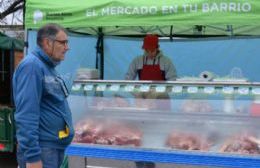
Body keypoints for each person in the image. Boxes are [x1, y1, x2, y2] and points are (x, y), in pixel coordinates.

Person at [12, 23, 74, 168]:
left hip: (51, 147)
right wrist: (33, 157)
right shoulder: (32, 67)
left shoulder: (47, 67)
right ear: (47, 42)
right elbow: (26, 114)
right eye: (63, 42)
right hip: (42, 150)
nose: (67, 47)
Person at [125, 34, 177, 168]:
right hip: (142, 105)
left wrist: (157, 93)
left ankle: (150, 163)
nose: (149, 53)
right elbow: (127, 80)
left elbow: (172, 83)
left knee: (156, 137)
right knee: (142, 136)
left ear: (157, 48)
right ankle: (140, 163)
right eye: (146, 50)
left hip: (162, 104)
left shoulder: (166, 62)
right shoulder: (137, 61)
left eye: (152, 51)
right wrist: (137, 94)